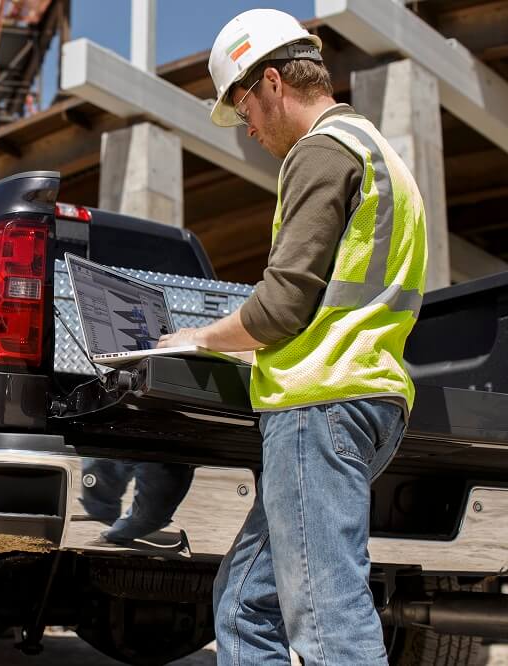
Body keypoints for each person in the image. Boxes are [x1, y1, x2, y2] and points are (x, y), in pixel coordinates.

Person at [157, 9, 428, 664]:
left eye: (243, 106)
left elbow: (280, 308)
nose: (247, 128)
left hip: (320, 407)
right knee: (247, 602)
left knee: (329, 617)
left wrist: (197, 339)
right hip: (365, 403)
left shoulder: (321, 152)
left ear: (273, 82)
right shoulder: (378, 151)